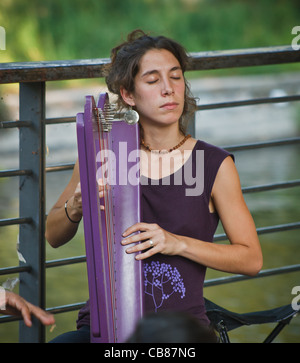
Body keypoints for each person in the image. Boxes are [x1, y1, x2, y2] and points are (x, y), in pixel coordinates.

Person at [45, 29, 263, 342]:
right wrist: (77, 207)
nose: (168, 89)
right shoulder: (102, 152)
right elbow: (53, 236)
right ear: (128, 94)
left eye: (175, 77)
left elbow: (252, 259)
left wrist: (178, 243)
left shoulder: (213, 163)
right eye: (152, 80)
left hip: (180, 333)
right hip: (106, 326)